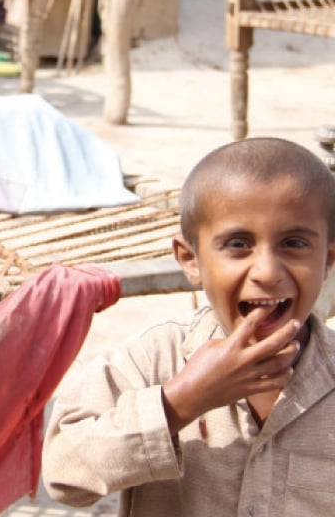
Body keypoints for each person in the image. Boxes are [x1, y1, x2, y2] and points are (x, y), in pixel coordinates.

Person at [41, 137, 335, 516]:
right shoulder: (153, 358)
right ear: (190, 259)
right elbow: (65, 475)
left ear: (327, 260)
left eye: (293, 243)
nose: (266, 272)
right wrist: (182, 401)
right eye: (237, 244)